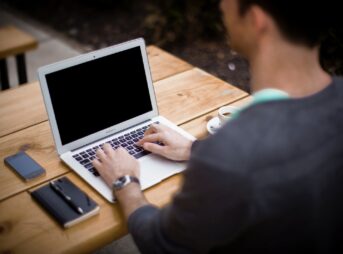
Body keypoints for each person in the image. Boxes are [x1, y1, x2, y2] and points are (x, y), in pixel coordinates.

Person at [92, 0, 343, 253]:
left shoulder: (233, 152)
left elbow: (161, 244)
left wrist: (126, 182)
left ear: (257, 20)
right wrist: (194, 149)